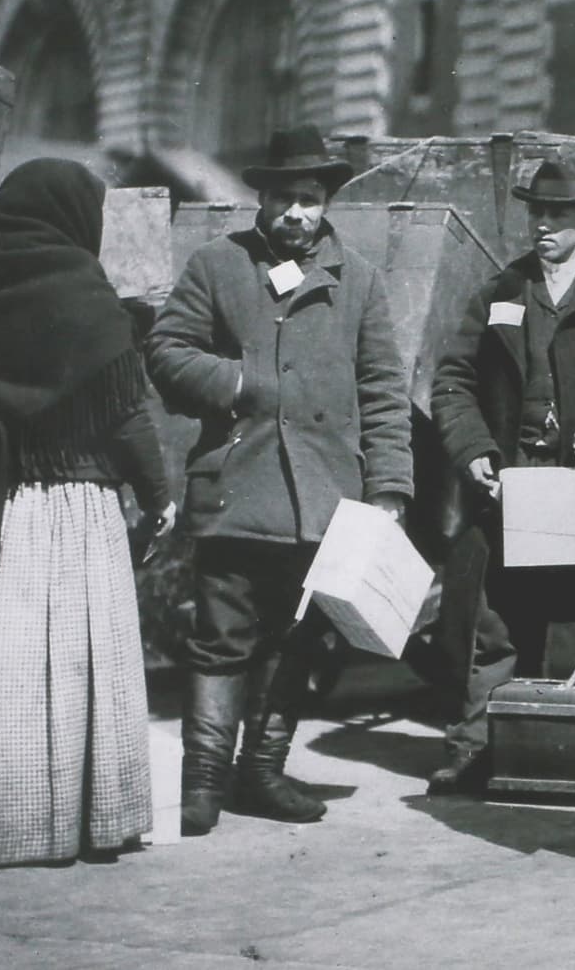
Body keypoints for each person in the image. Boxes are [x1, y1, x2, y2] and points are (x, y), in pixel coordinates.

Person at [147, 126, 414, 835]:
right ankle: (202, 782)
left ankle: (260, 773)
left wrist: (388, 489)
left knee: (296, 641)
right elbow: (167, 350)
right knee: (221, 638)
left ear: (326, 203)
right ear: (261, 199)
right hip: (241, 488)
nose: (298, 213)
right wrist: (240, 381)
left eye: (312, 199)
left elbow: (385, 389)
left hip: (325, 503)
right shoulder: (217, 264)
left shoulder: (358, 278)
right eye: (285, 199)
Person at [0, 159, 173, 868]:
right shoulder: (86, 295)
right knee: (63, 665)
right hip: (69, 513)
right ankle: (61, 820)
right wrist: (159, 495)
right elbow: (124, 413)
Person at [425, 157, 575, 795]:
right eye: (537, 213)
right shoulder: (502, 291)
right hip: (511, 483)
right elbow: (452, 380)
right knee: (495, 622)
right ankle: (476, 746)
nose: (543, 226)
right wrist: (475, 448)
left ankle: (573, 744)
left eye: (559, 215)